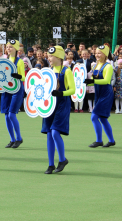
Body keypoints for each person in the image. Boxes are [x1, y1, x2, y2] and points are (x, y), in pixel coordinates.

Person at [41, 46, 75, 174]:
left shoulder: (66, 71)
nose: (49, 58)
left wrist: (61, 94)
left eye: (51, 56)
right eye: (48, 56)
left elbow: (73, 89)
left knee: (55, 132)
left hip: (62, 104)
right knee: (49, 133)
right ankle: (51, 164)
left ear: (59, 57)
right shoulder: (47, 71)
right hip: (49, 104)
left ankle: (62, 160)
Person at [84, 45, 116, 148]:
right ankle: (111, 140)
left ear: (105, 54)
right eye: (96, 53)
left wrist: (92, 81)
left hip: (106, 94)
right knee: (102, 118)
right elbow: (94, 82)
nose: (97, 55)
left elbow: (106, 81)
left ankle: (99, 140)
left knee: (94, 117)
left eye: (99, 53)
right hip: (98, 93)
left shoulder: (108, 66)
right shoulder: (95, 65)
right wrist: (86, 82)